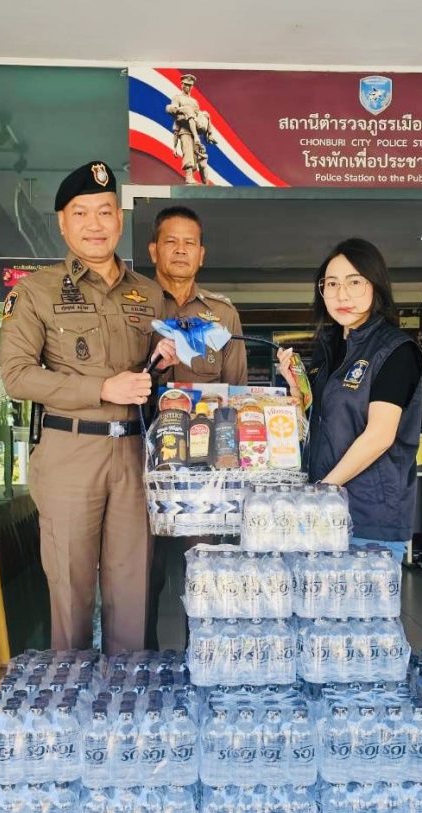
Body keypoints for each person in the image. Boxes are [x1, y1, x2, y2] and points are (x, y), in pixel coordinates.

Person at [0, 160, 177, 656]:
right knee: (71, 590)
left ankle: (128, 696)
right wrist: (102, 388)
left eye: (104, 211)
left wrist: (160, 365)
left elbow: (148, 380)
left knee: (133, 589)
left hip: (135, 455)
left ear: (119, 219)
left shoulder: (149, 294)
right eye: (81, 213)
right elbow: (16, 376)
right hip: (70, 452)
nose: (95, 224)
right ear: (63, 222)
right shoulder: (35, 290)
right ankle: (70, 692)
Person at [277, 237, 422, 563]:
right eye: (332, 284)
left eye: (354, 282)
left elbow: (379, 436)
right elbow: (321, 428)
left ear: (376, 286)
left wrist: (321, 492)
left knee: (362, 599)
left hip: (369, 518)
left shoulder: (395, 350)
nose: (342, 295)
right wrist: (298, 395)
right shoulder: (329, 349)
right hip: (322, 514)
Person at [145, 205, 248, 648]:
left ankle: (201, 662)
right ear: (154, 250)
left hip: (204, 470)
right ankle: (142, 668)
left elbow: (236, 396)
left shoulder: (222, 315)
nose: (181, 250)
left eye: (190, 243)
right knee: (141, 575)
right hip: (142, 463)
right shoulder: (135, 307)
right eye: (171, 241)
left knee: (202, 571)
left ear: (202, 254)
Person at [165, 73, 216, 185]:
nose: (187, 87)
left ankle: (210, 135)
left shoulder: (194, 101)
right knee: (187, 152)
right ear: (182, 85)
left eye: (190, 85)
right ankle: (188, 177)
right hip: (184, 130)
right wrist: (181, 110)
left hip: (195, 132)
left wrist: (204, 119)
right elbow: (173, 110)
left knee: (195, 155)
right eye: (186, 85)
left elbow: (198, 115)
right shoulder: (177, 97)